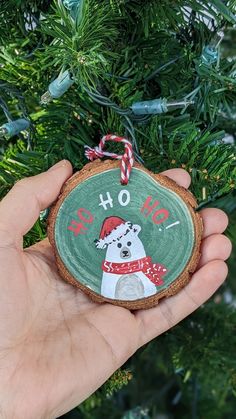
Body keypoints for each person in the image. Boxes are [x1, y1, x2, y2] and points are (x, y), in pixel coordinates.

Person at [0, 160, 232, 419]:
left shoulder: (142, 259)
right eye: (116, 244)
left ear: (133, 235)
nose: (122, 248)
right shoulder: (104, 271)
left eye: (126, 241)